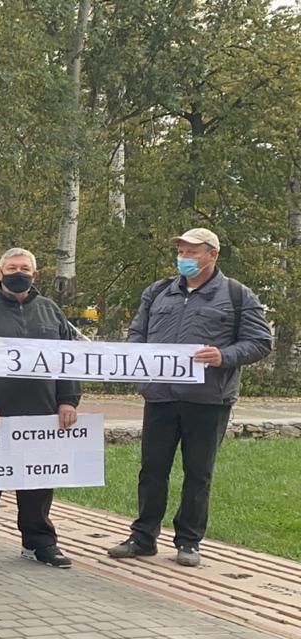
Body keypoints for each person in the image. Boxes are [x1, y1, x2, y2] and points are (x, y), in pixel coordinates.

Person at [108, 228, 272, 568]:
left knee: (198, 472)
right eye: (181, 251)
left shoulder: (237, 295)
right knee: (152, 470)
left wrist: (224, 356)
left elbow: (260, 342)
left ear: (212, 255)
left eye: (192, 252)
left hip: (208, 400)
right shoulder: (158, 292)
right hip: (161, 397)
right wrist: (139, 359)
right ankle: (143, 537)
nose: (184, 257)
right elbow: (137, 333)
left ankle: (189, 541)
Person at [0, 248, 81, 569]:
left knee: (37, 484)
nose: (18, 272)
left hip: (40, 414)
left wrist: (68, 399)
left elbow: (69, 361)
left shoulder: (52, 312)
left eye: (24, 268)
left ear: (35, 275)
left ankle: (39, 542)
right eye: (12, 267)